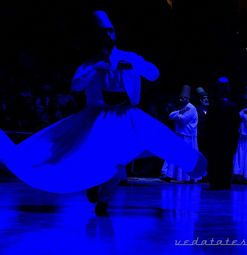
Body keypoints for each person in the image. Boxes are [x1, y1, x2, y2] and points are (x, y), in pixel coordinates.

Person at [2, 10, 206, 216]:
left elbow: (154, 73)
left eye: (110, 31)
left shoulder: (128, 57)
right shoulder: (91, 63)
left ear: (114, 33)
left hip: (126, 116)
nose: (107, 36)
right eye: (102, 33)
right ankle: (95, 187)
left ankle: (103, 198)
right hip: (98, 119)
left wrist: (133, 66)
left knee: (149, 143)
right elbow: (76, 84)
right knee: (86, 155)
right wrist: (96, 68)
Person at [204, 76, 240, 190]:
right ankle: (218, 182)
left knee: (224, 160)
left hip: (226, 138)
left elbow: (235, 124)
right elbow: (209, 123)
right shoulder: (215, 105)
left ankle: (221, 182)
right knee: (218, 159)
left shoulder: (230, 105)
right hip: (217, 138)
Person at [161, 85, 199, 182]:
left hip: (187, 136)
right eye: (180, 98)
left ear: (187, 98)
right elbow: (170, 115)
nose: (181, 99)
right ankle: (172, 175)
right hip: (180, 134)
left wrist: (177, 114)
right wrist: (180, 112)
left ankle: (187, 177)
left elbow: (182, 120)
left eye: (183, 98)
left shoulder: (191, 108)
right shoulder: (183, 108)